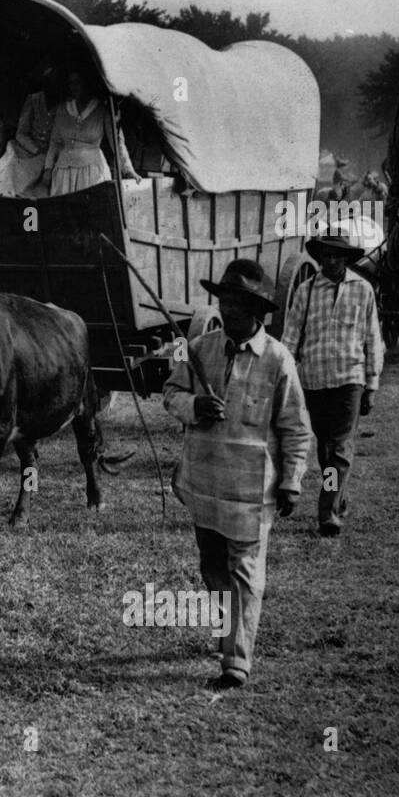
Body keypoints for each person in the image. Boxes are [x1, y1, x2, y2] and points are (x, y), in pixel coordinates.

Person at [163, 259, 311, 691]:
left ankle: (236, 662)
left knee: (245, 573)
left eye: (239, 306)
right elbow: (171, 394)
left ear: (259, 314)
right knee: (212, 569)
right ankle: (229, 632)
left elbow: (296, 427)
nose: (228, 313)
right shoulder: (198, 349)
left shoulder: (278, 360)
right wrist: (194, 407)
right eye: (224, 302)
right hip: (204, 485)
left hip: (252, 491)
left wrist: (292, 481)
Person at [281, 227, 383, 537]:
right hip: (313, 383)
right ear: (320, 257)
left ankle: (327, 513)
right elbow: (291, 337)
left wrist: (372, 383)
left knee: (339, 448)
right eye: (326, 255)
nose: (331, 261)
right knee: (326, 452)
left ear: (346, 258)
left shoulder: (363, 290)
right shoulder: (306, 291)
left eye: (337, 255)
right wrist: (284, 376)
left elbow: (371, 338)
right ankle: (338, 499)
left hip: (349, 380)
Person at [0, 63, 57, 198]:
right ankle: (10, 200)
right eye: (48, 81)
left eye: (54, 83)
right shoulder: (34, 100)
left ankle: (33, 211)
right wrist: (36, 150)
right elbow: (21, 133)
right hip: (28, 151)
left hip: (51, 154)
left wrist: (48, 153)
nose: (51, 87)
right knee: (11, 169)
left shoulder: (62, 105)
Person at [43, 69, 113, 195]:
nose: (74, 87)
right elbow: (54, 143)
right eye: (71, 83)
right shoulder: (63, 109)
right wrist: (48, 168)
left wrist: (128, 169)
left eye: (78, 83)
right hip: (64, 174)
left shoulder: (102, 110)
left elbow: (116, 143)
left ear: (87, 84)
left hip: (91, 172)